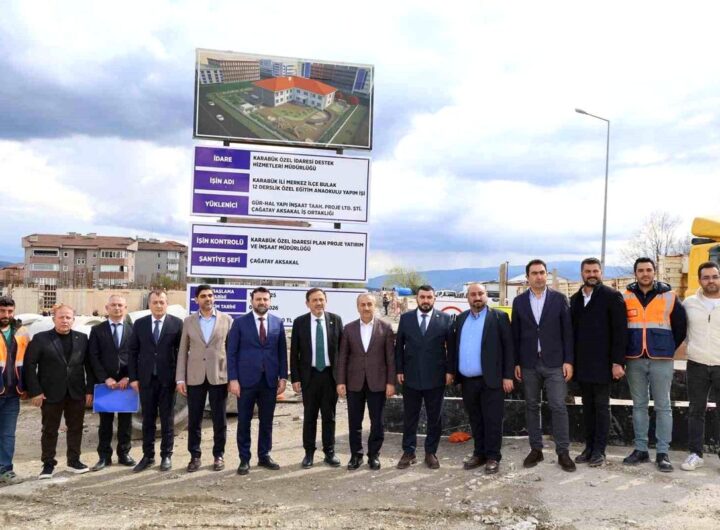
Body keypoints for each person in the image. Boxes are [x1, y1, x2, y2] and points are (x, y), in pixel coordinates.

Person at [622, 257, 687, 472]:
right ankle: (641, 449)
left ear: (654, 271)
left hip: (661, 359)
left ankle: (662, 452)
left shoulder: (669, 296)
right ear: (635, 273)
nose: (645, 274)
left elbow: (680, 327)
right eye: (641, 270)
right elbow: (620, 327)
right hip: (634, 358)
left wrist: (667, 346)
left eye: (648, 270)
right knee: (639, 405)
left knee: (663, 406)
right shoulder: (625, 297)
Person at [512, 259, 576, 472]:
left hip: (555, 363)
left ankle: (563, 452)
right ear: (527, 277)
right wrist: (516, 362)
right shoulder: (519, 302)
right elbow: (515, 334)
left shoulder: (559, 299)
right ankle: (536, 449)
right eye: (534, 273)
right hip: (529, 363)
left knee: (558, 406)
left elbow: (567, 332)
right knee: (532, 406)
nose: (539, 276)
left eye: (542, 272)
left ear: (546, 275)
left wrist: (568, 361)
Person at [569, 258, 627, 467]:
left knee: (602, 408)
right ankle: (589, 447)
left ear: (601, 273)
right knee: (587, 407)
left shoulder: (612, 296)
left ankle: (599, 451)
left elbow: (620, 332)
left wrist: (618, 362)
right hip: (583, 365)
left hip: (604, 365)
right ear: (582, 274)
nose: (592, 274)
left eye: (595, 271)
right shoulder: (575, 299)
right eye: (588, 271)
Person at [25, 303, 93, 479]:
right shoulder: (41, 339)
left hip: (76, 392)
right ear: (54, 319)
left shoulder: (82, 338)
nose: (65, 320)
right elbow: (29, 365)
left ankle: (74, 461)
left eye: (68, 317)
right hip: (50, 393)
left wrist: (89, 390)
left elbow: (89, 366)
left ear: (73, 320)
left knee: (76, 428)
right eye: (61, 317)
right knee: (49, 429)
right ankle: (48, 464)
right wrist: (35, 391)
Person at [452, 283, 514, 474]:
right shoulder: (461, 319)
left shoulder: (499, 317)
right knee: (475, 419)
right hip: (468, 381)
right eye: (473, 294)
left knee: (493, 419)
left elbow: (509, 348)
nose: (477, 297)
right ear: (467, 297)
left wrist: (508, 376)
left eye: (480, 293)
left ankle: (493, 456)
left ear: (486, 296)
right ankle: (479, 453)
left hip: (492, 379)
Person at [227, 287, 288, 475]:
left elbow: (282, 352)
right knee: (244, 421)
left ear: (270, 301)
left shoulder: (277, 322)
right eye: (258, 299)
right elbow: (231, 353)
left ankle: (264, 455)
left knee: (267, 421)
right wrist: (233, 379)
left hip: (269, 381)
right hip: (245, 381)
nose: (262, 302)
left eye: (265, 299)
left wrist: (283, 377)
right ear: (251, 301)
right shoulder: (239, 323)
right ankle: (244, 459)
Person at [395, 285, 455, 470]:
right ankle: (409, 452)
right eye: (422, 297)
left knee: (434, 418)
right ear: (417, 298)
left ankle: (430, 452)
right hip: (410, 377)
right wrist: (399, 370)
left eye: (429, 297)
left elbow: (451, 349)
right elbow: (399, 347)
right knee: (410, 417)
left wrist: (450, 371)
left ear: (434, 299)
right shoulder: (406, 318)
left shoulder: (445, 319)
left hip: (436, 377)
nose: (426, 300)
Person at [176, 284, 233, 472]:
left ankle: (219, 455)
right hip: (195, 376)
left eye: (210, 295)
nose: (208, 298)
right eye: (203, 296)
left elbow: (232, 351)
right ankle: (195, 456)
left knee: (219, 419)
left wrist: (233, 377)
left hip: (219, 376)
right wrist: (180, 379)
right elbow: (182, 351)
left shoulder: (227, 320)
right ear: (196, 300)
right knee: (194, 420)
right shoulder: (189, 322)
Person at [336, 293, 395, 470]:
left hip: (378, 382)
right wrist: (340, 381)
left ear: (375, 306)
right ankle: (356, 455)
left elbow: (390, 358)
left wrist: (391, 382)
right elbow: (343, 357)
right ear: (357, 307)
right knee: (354, 422)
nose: (366, 307)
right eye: (363, 304)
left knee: (377, 422)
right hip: (354, 382)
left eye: (369, 304)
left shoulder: (385, 328)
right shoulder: (349, 329)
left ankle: (374, 455)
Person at [129, 289, 183, 472]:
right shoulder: (140, 324)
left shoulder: (177, 324)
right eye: (155, 302)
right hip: (146, 381)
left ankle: (166, 455)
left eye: (162, 302)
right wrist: (133, 378)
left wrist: (179, 378)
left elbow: (181, 354)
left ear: (167, 304)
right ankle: (148, 456)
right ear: (149, 304)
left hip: (168, 381)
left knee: (167, 419)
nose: (159, 305)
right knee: (148, 419)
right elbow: (133, 352)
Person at [290, 288, 344, 469]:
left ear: (326, 301)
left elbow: (342, 351)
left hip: (330, 376)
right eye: (314, 300)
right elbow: (294, 353)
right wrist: (295, 378)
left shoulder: (335, 320)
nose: (319, 303)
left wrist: (342, 379)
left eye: (321, 299)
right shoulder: (300, 322)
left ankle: (329, 452)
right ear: (308, 303)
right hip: (309, 376)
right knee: (310, 416)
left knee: (329, 416)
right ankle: (309, 453)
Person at [87, 294, 136, 471]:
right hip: (105, 384)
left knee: (126, 422)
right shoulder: (97, 330)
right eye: (113, 305)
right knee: (105, 423)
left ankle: (124, 453)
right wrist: (104, 378)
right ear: (107, 308)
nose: (117, 308)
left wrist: (128, 377)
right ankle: (104, 456)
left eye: (120, 305)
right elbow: (93, 356)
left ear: (125, 308)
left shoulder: (133, 330)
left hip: (126, 384)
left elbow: (137, 355)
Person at [681, 261, 720, 471]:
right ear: (699, 280)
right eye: (706, 277)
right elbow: (680, 330)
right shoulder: (689, 303)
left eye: (714, 276)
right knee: (696, 410)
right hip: (697, 364)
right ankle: (695, 454)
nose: (711, 281)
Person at [0, 296, 28, 485]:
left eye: (9, 311)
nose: (6, 315)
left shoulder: (22, 332)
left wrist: (26, 387)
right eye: (2, 311)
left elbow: (28, 361)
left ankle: (5, 470)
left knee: (8, 434)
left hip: (12, 393)